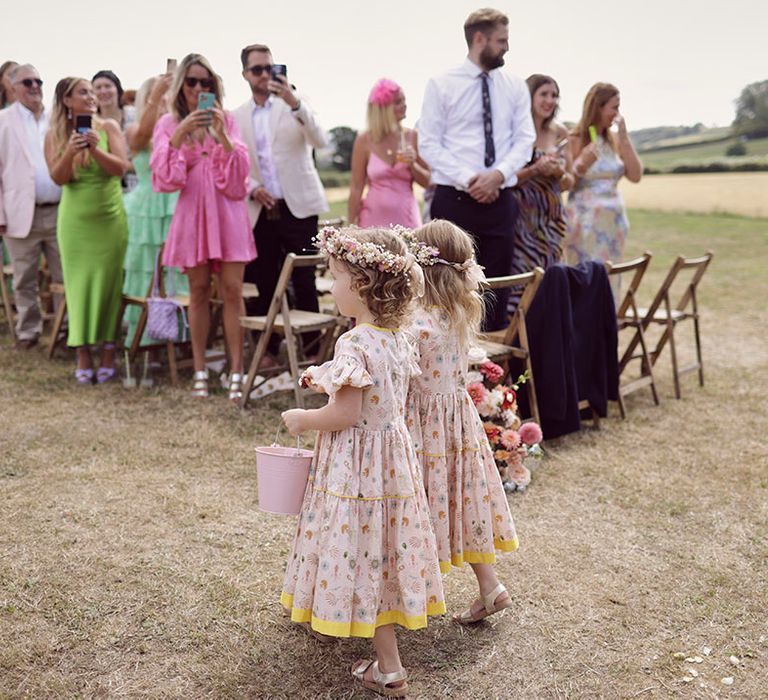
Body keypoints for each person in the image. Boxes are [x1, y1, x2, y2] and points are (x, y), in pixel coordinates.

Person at [281, 226, 445, 698]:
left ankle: (389, 666)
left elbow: (346, 413)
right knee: (385, 547)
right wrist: (327, 380)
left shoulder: (353, 344)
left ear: (362, 284)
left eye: (335, 277)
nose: (329, 287)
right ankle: (376, 643)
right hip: (392, 459)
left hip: (358, 467)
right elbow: (379, 395)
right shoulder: (396, 337)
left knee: (361, 548)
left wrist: (303, 419)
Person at [402, 220, 519, 623]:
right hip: (458, 424)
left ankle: (406, 598)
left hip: (421, 427)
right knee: (461, 500)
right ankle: (491, 586)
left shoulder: (416, 323)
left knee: (419, 504)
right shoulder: (457, 314)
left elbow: (402, 377)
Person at [418, 7, 535, 331]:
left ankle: (492, 376)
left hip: (501, 201)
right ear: (479, 39)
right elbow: (428, 143)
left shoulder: (514, 86)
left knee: (497, 289)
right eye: (502, 40)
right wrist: (470, 179)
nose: (507, 47)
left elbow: (525, 138)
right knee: (447, 289)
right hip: (453, 202)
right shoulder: (441, 84)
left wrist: (497, 175)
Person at [151, 53, 255, 400]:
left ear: (214, 87)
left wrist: (222, 136)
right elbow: (165, 178)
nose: (198, 88)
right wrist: (181, 132)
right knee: (197, 291)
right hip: (192, 213)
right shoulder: (168, 123)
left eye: (205, 82)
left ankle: (236, 369)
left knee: (232, 291)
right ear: (182, 85)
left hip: (228, 214)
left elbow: (240, 178)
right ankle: (199, 368)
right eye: (192, 81)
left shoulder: (227, 120)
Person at [234, 43, 328, 368]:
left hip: (298, 205)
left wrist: (293, 101)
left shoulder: (295, 103)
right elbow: (236, 163)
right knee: (264, 281)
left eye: (270, 68)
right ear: (245, 74)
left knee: (304, 280)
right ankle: (269, 352)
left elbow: (320, 139)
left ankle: (314, 351)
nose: (264, 75)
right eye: (257, 69)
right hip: (260, 208)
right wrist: (252, 187)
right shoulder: (237, 116)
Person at [44, 77, 129, 383]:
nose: (91, 96)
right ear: (66, 100)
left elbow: (121, 169)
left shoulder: (108, 127)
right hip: (75, 223)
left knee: (109, 285)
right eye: (83, 92)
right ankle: (82, 352)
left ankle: (108, 350)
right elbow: (58, 178)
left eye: (92, 91)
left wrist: (95, 150)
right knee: (77, 286)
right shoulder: (54, 134)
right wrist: (69, 151)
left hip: (109, 218)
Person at [122, 72, 187, 350]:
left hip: (176, 205)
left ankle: (177, 336)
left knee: (178, 272)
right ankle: (144, 337)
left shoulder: (177, 126)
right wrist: (155, 95)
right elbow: (141, 139)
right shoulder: (135, 129)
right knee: (145, 270)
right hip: (145, 208)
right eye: (160, 96)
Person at [0, 63, 63, 350]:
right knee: (25, 277)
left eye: (38, 80)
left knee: (65, 274)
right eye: (27, 82)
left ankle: (65, 329)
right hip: (18, 214)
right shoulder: (3, 121)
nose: (35, 86)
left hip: (60, 210)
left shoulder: (56, 119)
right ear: (12, 88)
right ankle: (29, 330)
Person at [508, 74, 574, 311]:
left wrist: (558, 172)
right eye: (544, 94)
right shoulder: (514, 132)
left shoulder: (561, 133)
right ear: (530, 97)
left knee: (552, 278)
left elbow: (569, 181)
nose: (550, 100)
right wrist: (536, 169)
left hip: (552, 222)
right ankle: (521, 341)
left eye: (554, 95)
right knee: (522, 284)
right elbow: (506, 179)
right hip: (522, 223)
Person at [564, 82, 642, 269]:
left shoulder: (614, 141)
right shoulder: (574, 140)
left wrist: (623, 137)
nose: (618, 113)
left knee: (610, 276)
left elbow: (635, 175)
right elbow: (566, 181)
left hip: (614, 224)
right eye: (614, 107)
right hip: (585, 224)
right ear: (597, 107)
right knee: (587, 275)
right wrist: (582, 163)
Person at [348, 78, 430, 227]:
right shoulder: (364, 140)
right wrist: (351, 225)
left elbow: (428, 182)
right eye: (398, 102)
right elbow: (356, 187)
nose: (404, 106)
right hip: (372, 222)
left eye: (404, 101)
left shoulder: (412, 137)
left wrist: (413, 165)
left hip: (407, 221)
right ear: (383, 109)